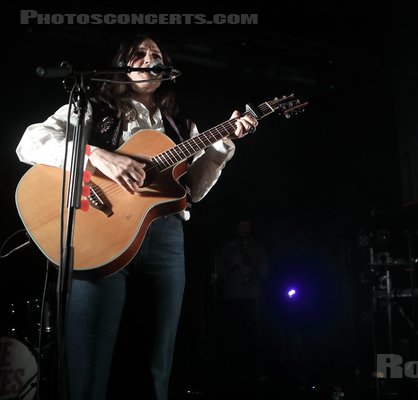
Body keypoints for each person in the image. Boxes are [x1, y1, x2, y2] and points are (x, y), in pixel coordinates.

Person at [15, 33, 258, 400]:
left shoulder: (181, 128)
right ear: (121, 64)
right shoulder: (91, 106)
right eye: (139, 54)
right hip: (97, 236)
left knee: (154, 359)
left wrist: (221, 148)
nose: (149, 59)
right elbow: (30, 142)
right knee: (88, 361)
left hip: (165, 240)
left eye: (156, 54)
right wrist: (97, 156)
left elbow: (191, 192)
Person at [215, 218, 269, 386]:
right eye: (242, 225)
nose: (245, 229)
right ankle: (235, 374)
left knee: (254, 336)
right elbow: (218, 274)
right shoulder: (227, 247)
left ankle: (257, 373)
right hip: (232, 297)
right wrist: (234, 263)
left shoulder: (258, 247)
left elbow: (266, 274)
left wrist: (252, 269)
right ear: (236, 226)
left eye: (248, 225)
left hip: (253, 296)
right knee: (234, 336)